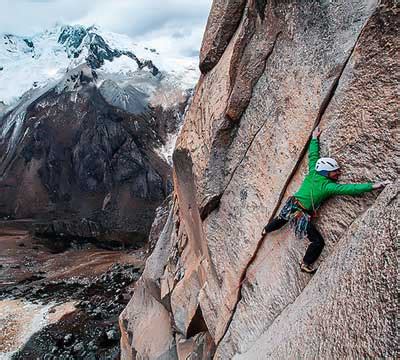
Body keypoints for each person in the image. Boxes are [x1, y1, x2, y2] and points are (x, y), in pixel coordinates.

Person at [262, 126, 391, 274]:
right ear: (326, 172)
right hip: (301, 215)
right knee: (317, 242)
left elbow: (313, 156)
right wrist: (375, 186)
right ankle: (305, 264)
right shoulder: (327, 186)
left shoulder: (313, 171)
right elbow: (350, 189)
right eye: (334, 172)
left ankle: (266, 229)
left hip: (292, 204)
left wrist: (314, 138)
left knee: (282, 218)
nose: (338, 173)